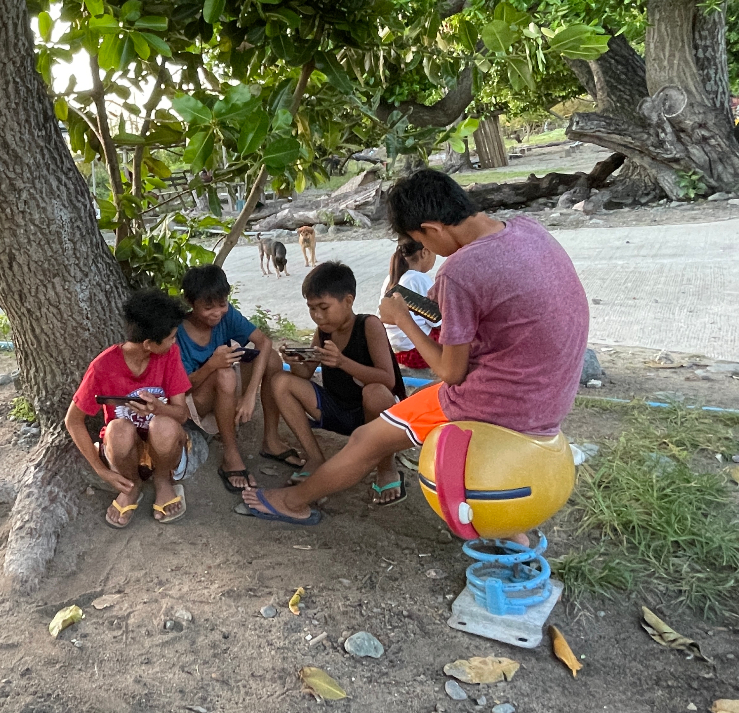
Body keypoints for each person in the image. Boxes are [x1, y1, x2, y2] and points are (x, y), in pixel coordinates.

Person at [240, 168, 589, 529]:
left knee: (366, 440)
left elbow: (451, 373)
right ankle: (508, 532)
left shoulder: (460, 270)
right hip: (552, 394)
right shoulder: (526, 228)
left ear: (433, 230)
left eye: (417, 241)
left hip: (503, 400)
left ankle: (294, 502)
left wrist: (403, 320)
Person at [267, 261, 407, 507]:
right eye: (311, 309)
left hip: (376, 417)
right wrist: (295, 359)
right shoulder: (323, 332)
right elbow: (304, 375)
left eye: (324, 307)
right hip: (338, 410)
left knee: (375, 392)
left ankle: (386, 467)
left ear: (348, 301)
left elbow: (388, 379)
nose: (318, 316)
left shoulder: (369, 325)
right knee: (280, 382)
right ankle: (314, 458)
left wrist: (342, 362)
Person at [65, 288, 192, 528]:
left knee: (163, 425)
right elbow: (73, 421)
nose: (175, 342)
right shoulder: (103, 366)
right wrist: (101, 471)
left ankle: (163, 482)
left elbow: (182, 414)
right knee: (117, 430)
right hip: (125, 447)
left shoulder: (169, 355)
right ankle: (131, 485)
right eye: (172, 337)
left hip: (164, 442)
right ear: (148, 344)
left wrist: (158, 408)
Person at [175, 265, 280, 493]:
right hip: (194, 401)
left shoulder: (226, 315)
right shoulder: (177, 334)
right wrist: (211, 364)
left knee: (271, 358)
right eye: (208, 307)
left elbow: (264, 342)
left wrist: (250, 395)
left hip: (226, 386)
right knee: (223, 373)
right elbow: (180, 389)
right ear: (190, 302)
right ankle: (231, 455)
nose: (217, 313)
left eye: (222, 304)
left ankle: (271, 439)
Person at [380, 238, 441, 369]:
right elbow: (437, 321)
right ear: (424, 252)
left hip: (399, 352)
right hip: (418, 352)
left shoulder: (390, 278)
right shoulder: (418, 278)